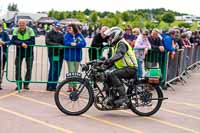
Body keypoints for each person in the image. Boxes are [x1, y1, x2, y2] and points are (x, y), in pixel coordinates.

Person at [103, 27, 138, 105]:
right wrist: (102, 63)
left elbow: (119, 54)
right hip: (124, 67)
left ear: (116, 35)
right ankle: (112, 96)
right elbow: (112, 59)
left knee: (113, 74)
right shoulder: (115, 45)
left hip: (131, 68)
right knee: (106, 74)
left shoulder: (122, 43)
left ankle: (124, 97)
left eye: (111, 36)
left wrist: (108, 61)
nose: (110, 38)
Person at [11, 19, 35, 90]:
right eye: (20, 24)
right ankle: (19, 84)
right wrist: (21, 43)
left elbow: (33, 41)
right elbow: (13, 40)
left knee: (29, 69)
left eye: (23, 24)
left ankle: (26, 84)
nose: (21, 26)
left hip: (29, 53)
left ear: (26, 24)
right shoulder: (16, 30)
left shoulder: (30, 30)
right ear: (18, 24)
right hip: (19, 53)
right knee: (18, 69)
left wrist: (22, 43)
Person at [64, 24, 86, 91]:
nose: (69, 30)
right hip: (69, 56)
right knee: (71, 71)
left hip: (77, 56)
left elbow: (84, 43)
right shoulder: (67, 35)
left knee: (75, 72)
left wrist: (76, 44)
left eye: (70, 28)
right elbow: (65, 42)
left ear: (74, 28)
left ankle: (74, 86)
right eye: (68, 28)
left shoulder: (79, 35)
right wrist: (70, 43)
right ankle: (70, 86)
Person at [45, 21, 64, 91]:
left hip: (60, 54)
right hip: (52, 54)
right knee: (53, 69)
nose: (57, 28)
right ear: (53, 26)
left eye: (58, 27)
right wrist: (58, 45)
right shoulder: (48, 33)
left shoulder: (61, 34)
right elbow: (47, 42)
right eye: (56, 27)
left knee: (58, 70)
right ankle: (49, 85)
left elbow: (63, 42)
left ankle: (54, 86)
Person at [0, 22, 10, 90]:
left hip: (3, 54)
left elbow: (9, 41)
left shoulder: (5, 33)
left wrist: (4, 42)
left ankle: (0, 82)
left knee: (1, 69)